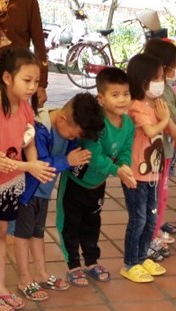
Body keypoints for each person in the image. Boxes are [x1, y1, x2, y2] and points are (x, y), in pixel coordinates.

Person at [0, 49, 55, 310]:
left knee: (0, 233)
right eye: (26, 80)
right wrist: (30, 166)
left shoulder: (25, 106)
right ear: (8, 78)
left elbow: (28, 139)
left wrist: (34, 163)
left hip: (11, 183)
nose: (32, 87)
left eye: (36, 81)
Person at [16, 94, 103, 297]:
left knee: (38, 232)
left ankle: (41, 273)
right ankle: (24, 279)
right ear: (63, 119)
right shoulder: (41, 128)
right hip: (28, 191)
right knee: (22, 235)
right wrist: (67, 161)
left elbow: (71, 153)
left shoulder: (67, 129)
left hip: (43, 192)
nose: (73, 139)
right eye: (73, 135)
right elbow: (41, 164)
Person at [57, 67, 135, 284]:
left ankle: (91, 261)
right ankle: (73, 264)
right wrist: (116, 170)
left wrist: (125, 164)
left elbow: (126, 148)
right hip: (76, 182)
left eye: (126, 93)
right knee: (70, 223)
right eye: (115, 94)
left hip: (97, 184)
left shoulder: (128, 124)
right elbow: (94, 155)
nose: (122, 99)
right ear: (101, 98)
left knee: (92, 223)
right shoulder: (95, 122)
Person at [142, 38, 176, 248]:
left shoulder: (165, 88)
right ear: (163, 67)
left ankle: (155, 229)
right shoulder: (159, 92)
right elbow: (175, 116)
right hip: (160, 151)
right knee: (157, 195)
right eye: (174, 66)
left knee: (161, 194)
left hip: (166, 150)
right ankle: (152, 235)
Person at [122, 53, 171, 283]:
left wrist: (163, 117)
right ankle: (130, 263)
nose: (162, 82)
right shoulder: (136, 106)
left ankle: (142, 257)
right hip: (136, 173)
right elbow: (151, 131)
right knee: (138, 219)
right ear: (143, 81)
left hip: (153, 172)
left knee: (151, 218)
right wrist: (165, 119)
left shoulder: (154, 105)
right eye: (157, 78)